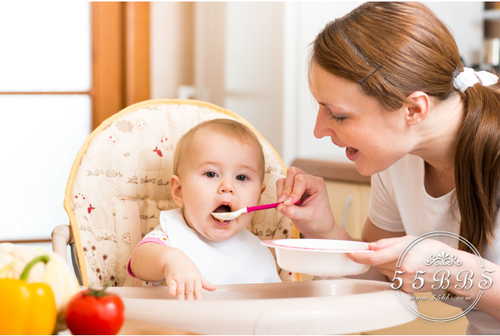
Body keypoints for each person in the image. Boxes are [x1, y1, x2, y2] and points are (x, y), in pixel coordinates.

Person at [276, 2, 500, 334]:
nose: (319, 130)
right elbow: (381, 274)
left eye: (338, 114)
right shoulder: (396, 157)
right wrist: (324, 230)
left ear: (413, 109)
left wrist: (455, 269)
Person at [128, 118, 281, 300]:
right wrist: (171, 260)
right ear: (179, 191)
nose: (227, 187)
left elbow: (275, 304)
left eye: (241, 177)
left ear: (258, 197)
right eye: (211, 174)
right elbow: (138, 262)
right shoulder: (169, 237)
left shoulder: (260, 252)